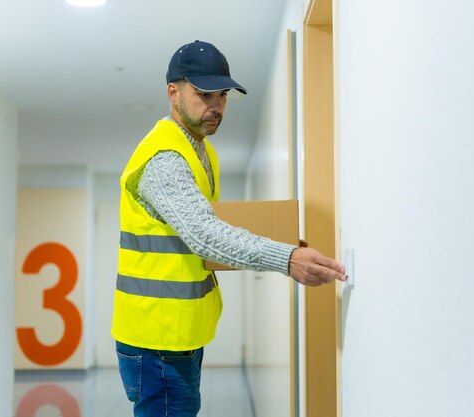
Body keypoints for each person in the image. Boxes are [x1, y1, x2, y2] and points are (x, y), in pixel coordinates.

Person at [111, 40, 346, 417]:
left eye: (222, 95)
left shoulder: (203, 150)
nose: (216, 105)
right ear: (173, 93)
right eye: (204, 94)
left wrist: (284, 241)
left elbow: (209, 222)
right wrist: (286, 258)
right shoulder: (165, 158)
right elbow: (205, 235)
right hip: (156, 339)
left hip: (179, 333)